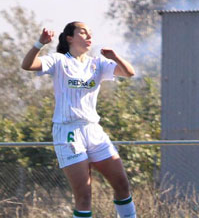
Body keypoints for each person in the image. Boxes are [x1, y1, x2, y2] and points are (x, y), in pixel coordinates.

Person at [20, 22, 137, 218]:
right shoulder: (58, 60)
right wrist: (39, 44)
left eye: (90, 33)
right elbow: (27, 65)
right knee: (84, 196)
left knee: (122, 185)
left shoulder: (97, 63)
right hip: (68, 132)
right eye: (82, 32)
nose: (88, 36)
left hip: (93, 130)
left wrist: (115, 56)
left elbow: (129, 73)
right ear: (69, 38)